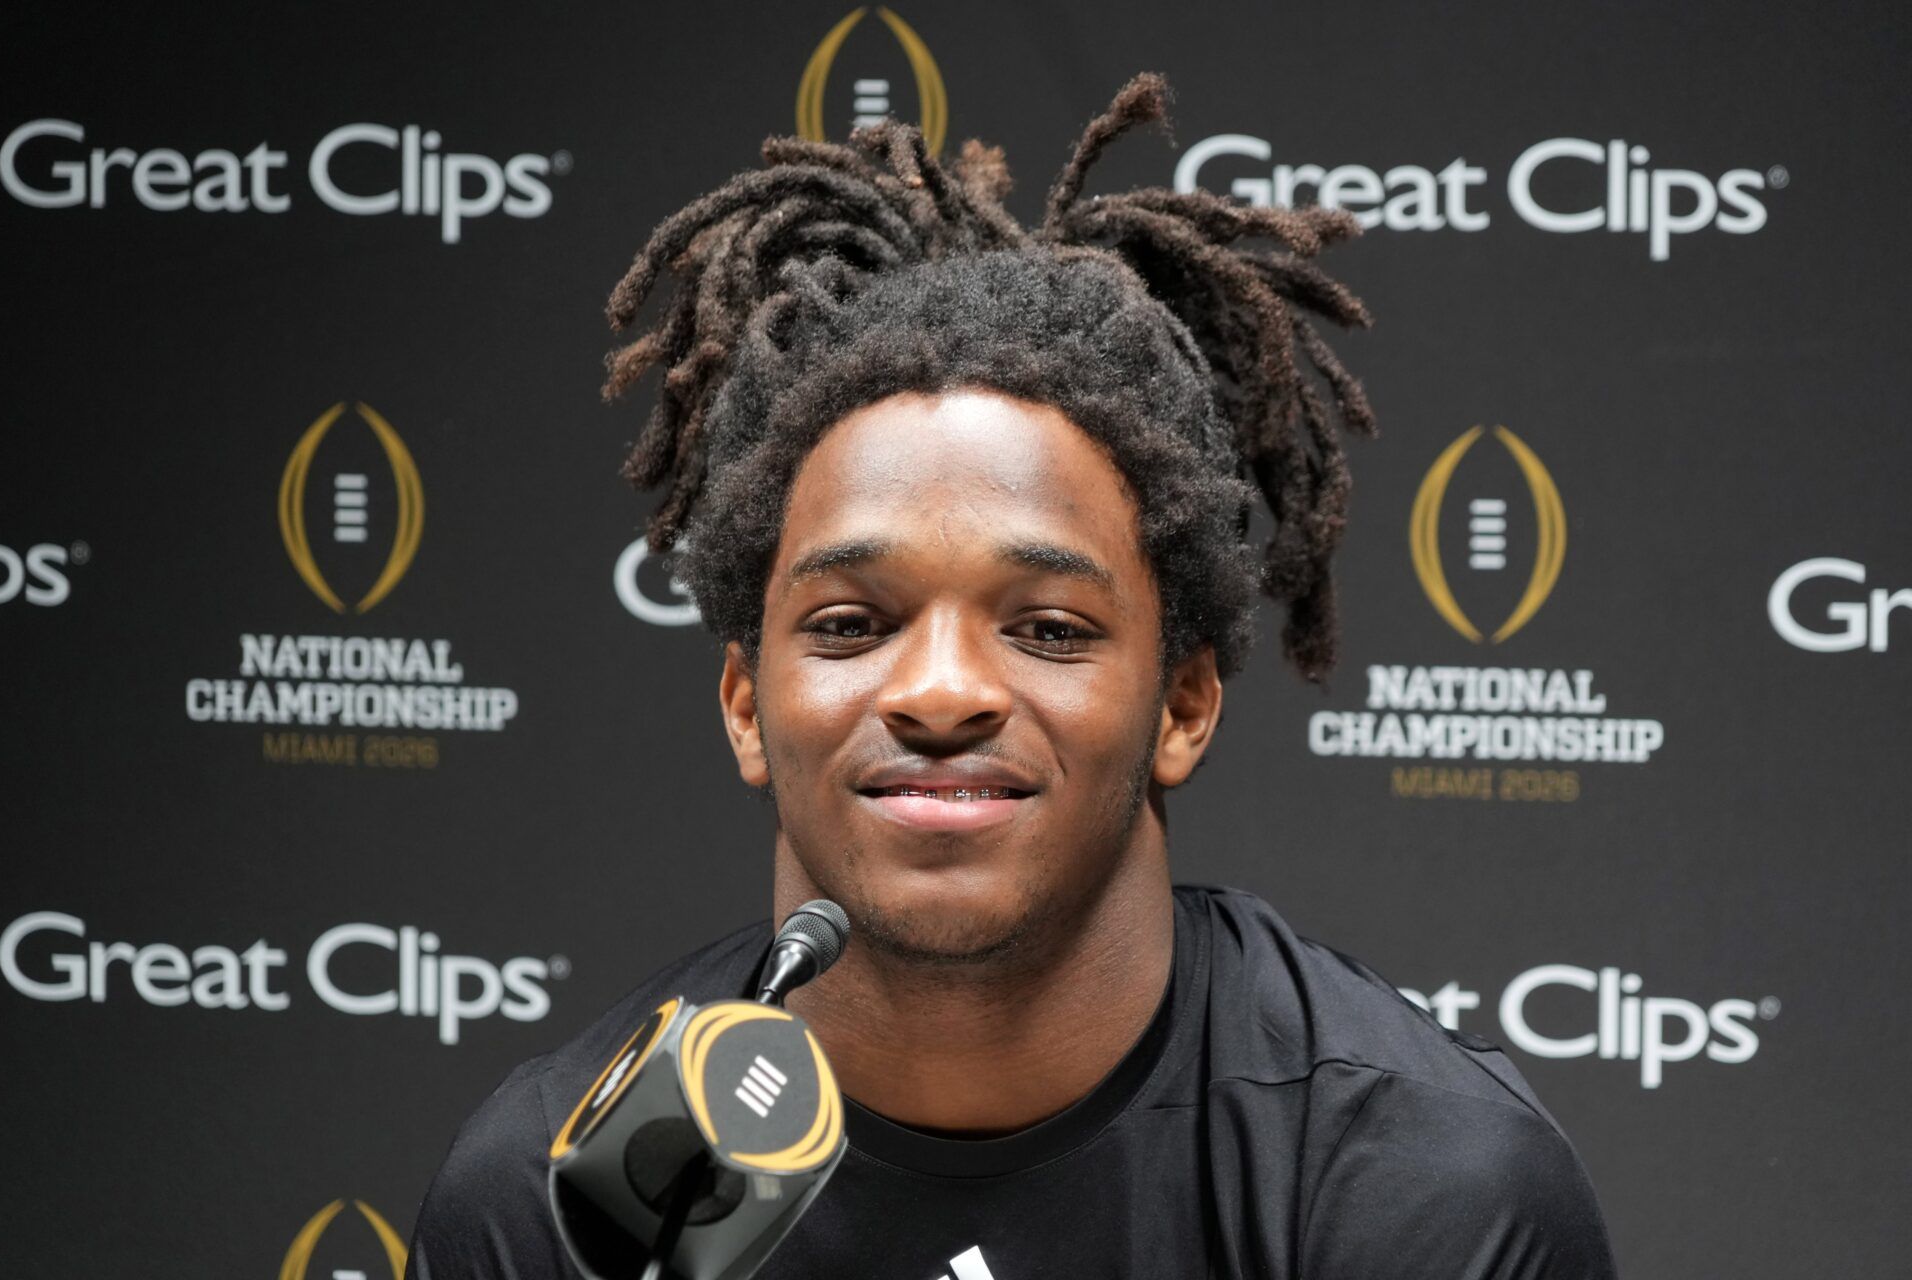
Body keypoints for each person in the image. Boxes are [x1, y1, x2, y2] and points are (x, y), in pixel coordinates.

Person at [408, 75, 1618, 1279]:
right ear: (743, 704)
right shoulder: (551, 1204)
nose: (938, 690)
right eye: (848, 621)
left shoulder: (1416, 1183)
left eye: (1046, 627)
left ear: (1184, 705)